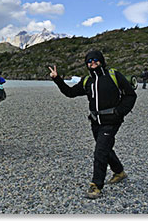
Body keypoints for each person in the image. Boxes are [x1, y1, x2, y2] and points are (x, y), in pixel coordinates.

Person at [48, 50, 137, 199]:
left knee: (100, 152)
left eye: (95, 60)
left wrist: (120, 112)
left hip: (112, 121)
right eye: (89, 61)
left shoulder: (113, 76)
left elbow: (130, 95)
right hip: (95, 122)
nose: (92, 63)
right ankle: (119, 172)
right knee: (105, 148)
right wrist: (57, 79)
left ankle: (96, 186)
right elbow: (69, 92)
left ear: (101, 61)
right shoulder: (87, 81)